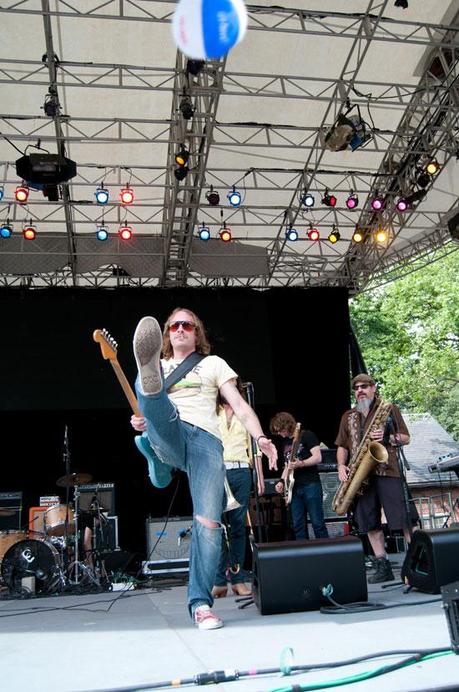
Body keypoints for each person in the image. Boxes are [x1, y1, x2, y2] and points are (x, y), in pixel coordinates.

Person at [130, 309, 277, 630]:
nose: (180, 329)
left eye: (187, 325)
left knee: (209, 524)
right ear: (166, 334)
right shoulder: (162, 363)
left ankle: (200, 605)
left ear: (197, 333)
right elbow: (146, 418)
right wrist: (142, 420)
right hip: (172, 429)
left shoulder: (213, 364)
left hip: (206, 444)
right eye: (174, 325)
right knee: (154, 404)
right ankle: (150, 399)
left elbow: (238, 405)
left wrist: (261, 438)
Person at [335, 373, 417, 584]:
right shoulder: (348, 416)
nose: (360, 390)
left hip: (387, 471)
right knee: (369, 522)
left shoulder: (388, 410)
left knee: (404, 519)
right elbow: (342, 446)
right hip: (360, 477)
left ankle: (419, 561)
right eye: (356, 387)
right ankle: (383, 566)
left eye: (364, 386)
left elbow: (406, 438)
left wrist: (389, 437)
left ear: (373, 388)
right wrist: (341, 465)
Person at [212, 383, 264, 599]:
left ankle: (238, 578)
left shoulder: (245, 412)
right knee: (216, 528)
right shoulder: (211, 410)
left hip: (241, 471)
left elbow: (256, 450)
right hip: (216, 471)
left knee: (238, 529)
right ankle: (218, 581)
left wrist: (260, 477)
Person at [270, 412, 329, 540]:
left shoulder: (307, 435)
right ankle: (304, 556)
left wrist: (300, 464)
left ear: (286, 425)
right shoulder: (285, 443)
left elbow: (318, 457)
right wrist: (281, 481)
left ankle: (326, 555)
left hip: (310, 484)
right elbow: (287, 466)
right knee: (298, 525)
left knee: (317, 523)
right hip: (294, 488)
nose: (279, 434)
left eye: (280, 430)